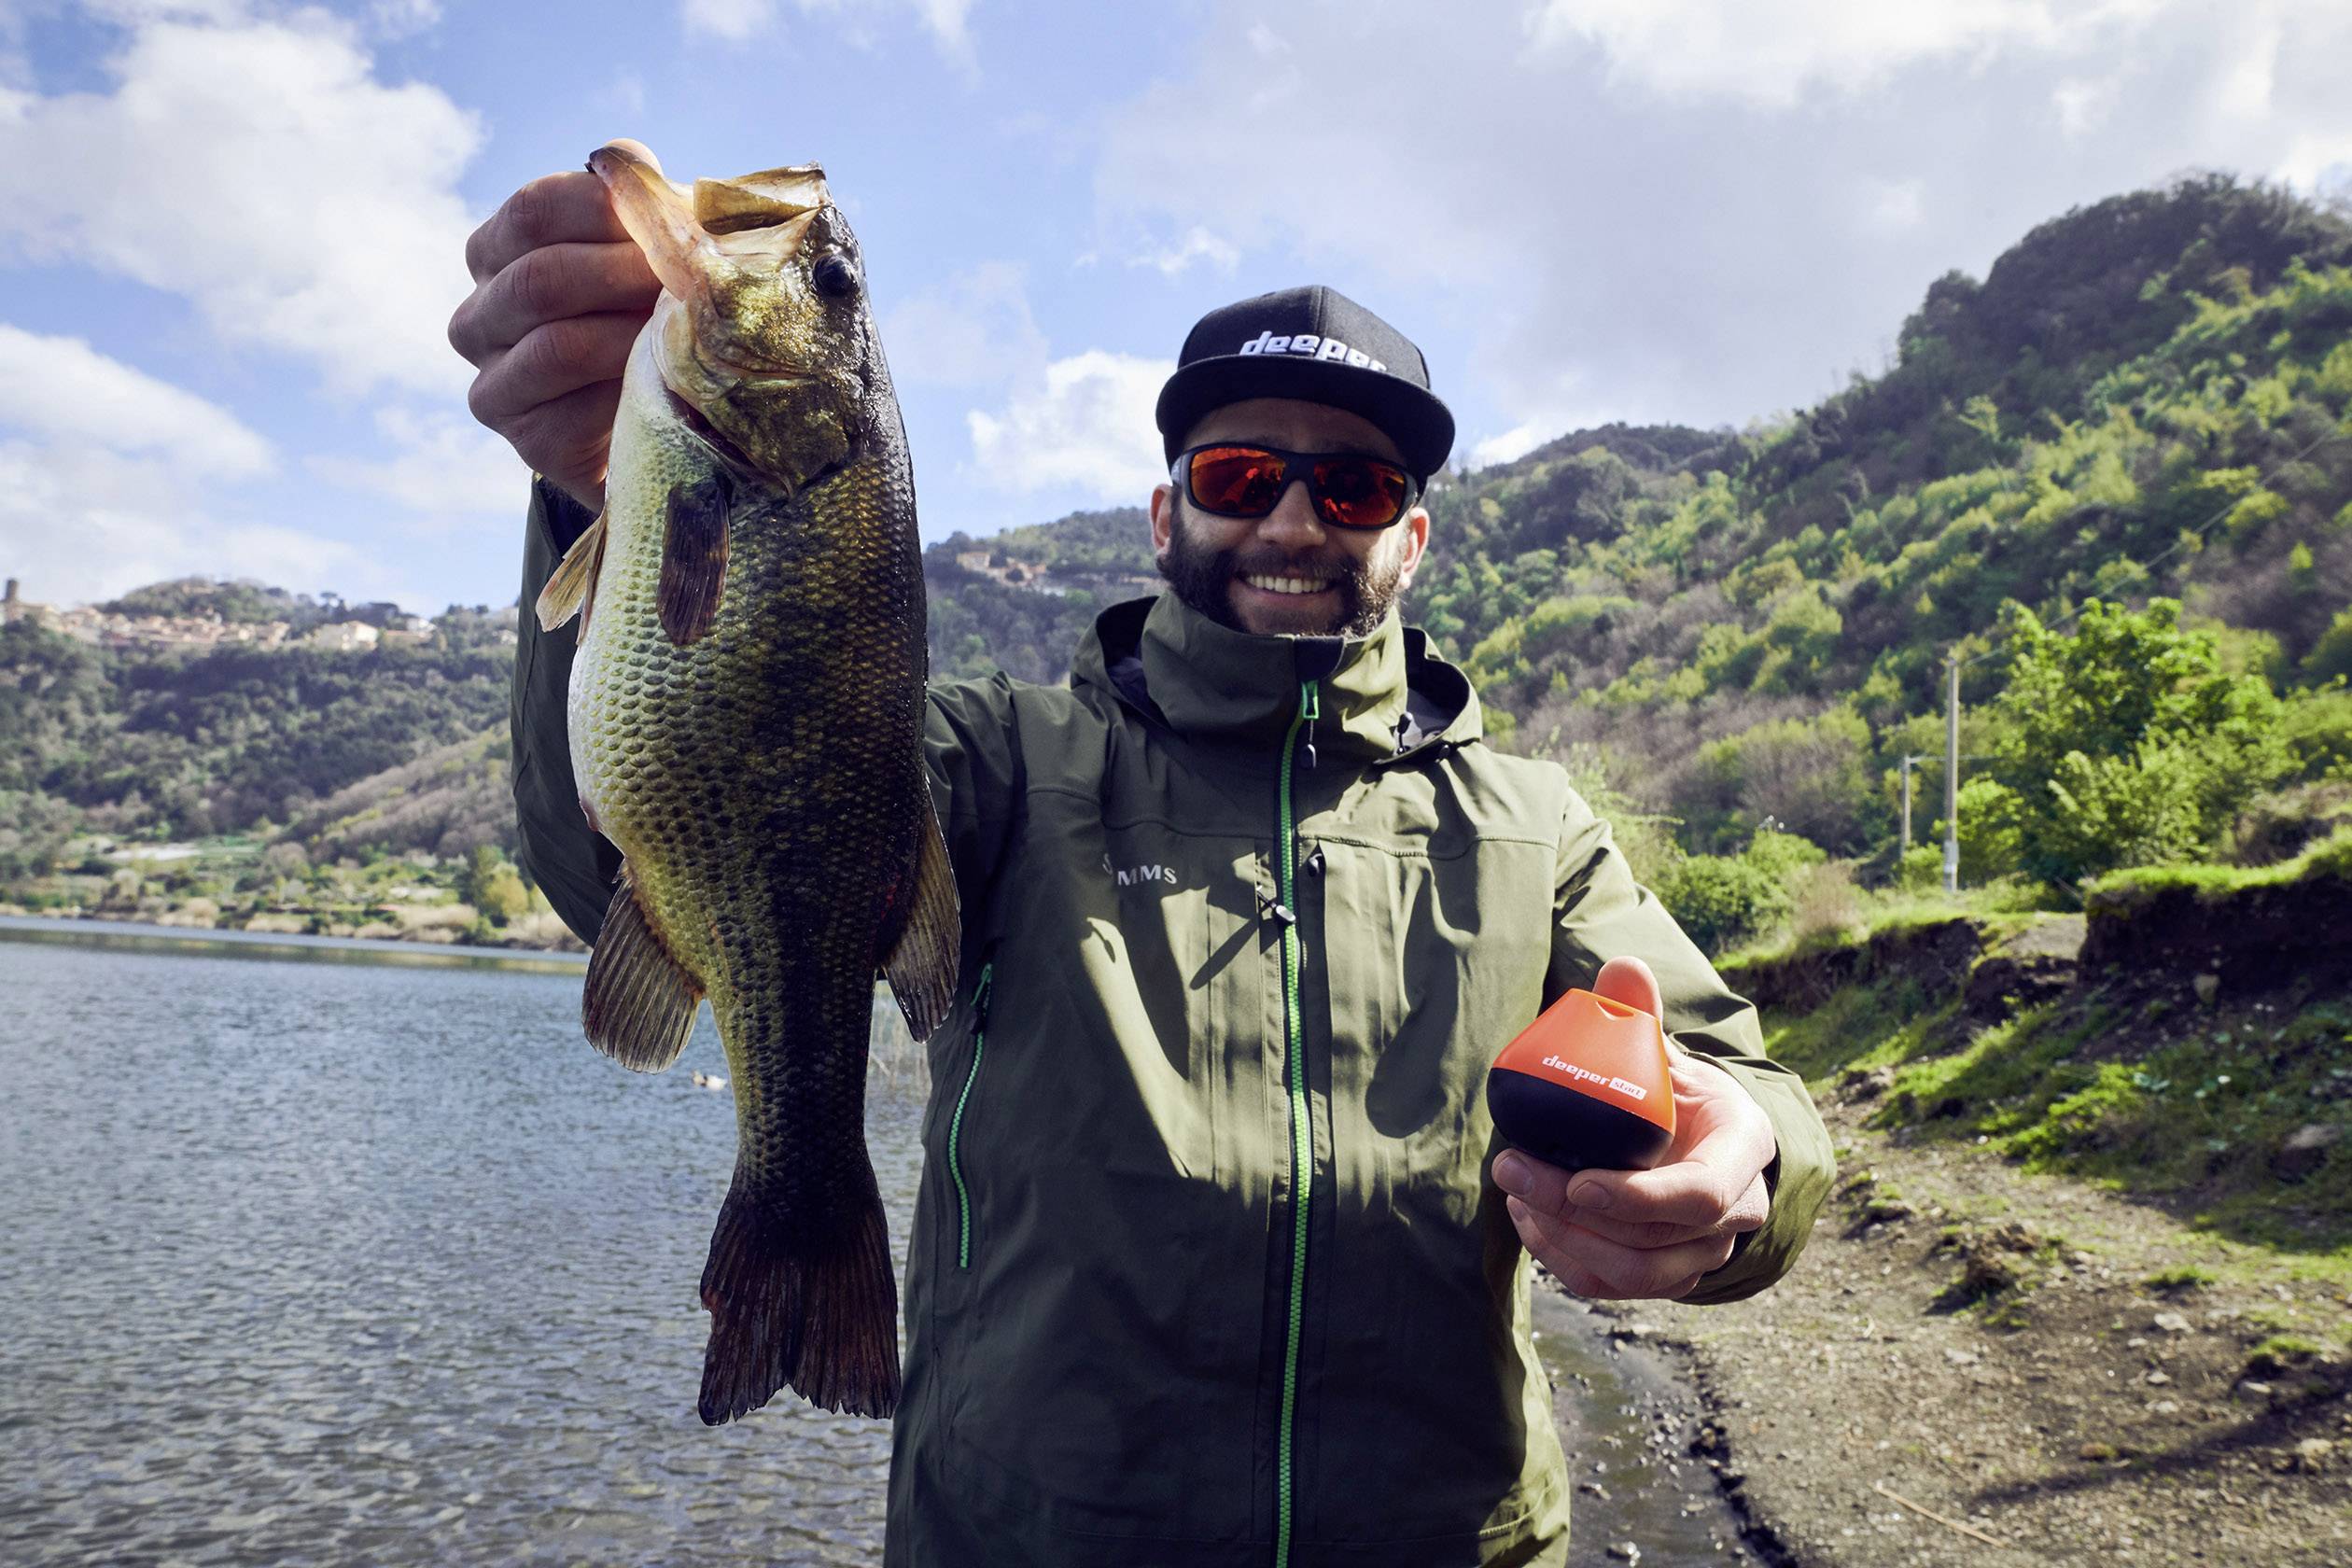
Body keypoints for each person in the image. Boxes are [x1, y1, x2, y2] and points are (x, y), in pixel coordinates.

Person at [451, 169, 1835, 1568]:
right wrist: (597, 504)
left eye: (1353, 485)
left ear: (1409, 540)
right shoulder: (999, 764)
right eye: (1240, 475)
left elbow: (1742, 1083)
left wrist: (1746, 1172)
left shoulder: (1534, 826)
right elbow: (629, 848)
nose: (1294, 521)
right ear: (1166, 516)